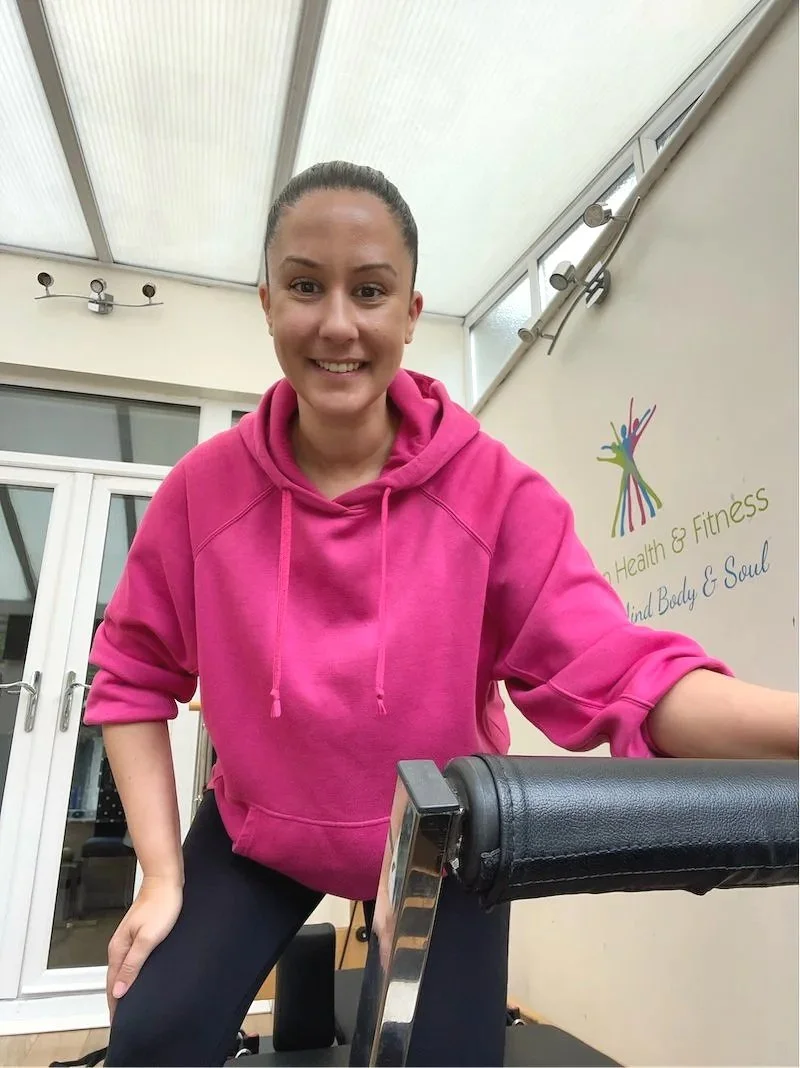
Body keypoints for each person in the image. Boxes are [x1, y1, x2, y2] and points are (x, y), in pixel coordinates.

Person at [84, 161, 798, 1066]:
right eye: (306, 286)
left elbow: (626, 677)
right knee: (154, 1032)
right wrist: (159, 876)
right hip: (261, 822)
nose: (337, 323)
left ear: (411, 312)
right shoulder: (201, 494)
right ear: (267, 302)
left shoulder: (495, 492)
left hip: (439, 838)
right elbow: (133, 678)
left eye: (370, 291)